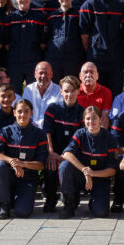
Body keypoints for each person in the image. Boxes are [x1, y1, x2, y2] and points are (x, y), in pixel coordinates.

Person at [0, 100, 48, 219]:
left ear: (31, 113)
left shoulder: (39, 134)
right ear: (14, 112)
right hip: (9, 176)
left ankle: (17, 199)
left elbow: (41, 164)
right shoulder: (6, 131)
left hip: (28, 178)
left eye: (26, 111)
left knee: (23, 212)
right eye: (19, 111)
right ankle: (4, 205)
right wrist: (11, 161)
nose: (23, 115)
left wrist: (23, 164)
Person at [58, 105, 120, 218]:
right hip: (82, 176)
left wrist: (92, 174)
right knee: (64, 166)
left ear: (101, 119)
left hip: (100, 178)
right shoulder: (80, 133)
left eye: (94, 118)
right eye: (88, 118)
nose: (91, 121)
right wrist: (84, 170)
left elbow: (112, 170)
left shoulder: (110, 138)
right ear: (83, 120)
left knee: (101, 213)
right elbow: (67, 154)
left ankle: (95, 201)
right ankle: (69, 204)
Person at [79, 0, 124, 93]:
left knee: (115, 91)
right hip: (96, 57)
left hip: (116, 59)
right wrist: (93, 49)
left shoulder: (120, 6)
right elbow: (84, 35)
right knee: (97, 91)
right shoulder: (89, 5)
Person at [44, 75, 84, 213]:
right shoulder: (52, 108)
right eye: (66, 91)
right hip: (54, 151)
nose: (69, 94)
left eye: (73, 91)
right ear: (61, 91)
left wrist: (66, 156)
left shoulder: (82, 112)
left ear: (79, 91)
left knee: (66, 166)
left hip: (73, 154)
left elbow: (80, 139)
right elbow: (47, 132)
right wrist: (51, 152)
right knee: (50, 166)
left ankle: (70, 199)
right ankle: (50, 199)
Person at [4, 0, 47, 86]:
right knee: (14, 93)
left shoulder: (39, 17)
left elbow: (43, 43)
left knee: (33, 93)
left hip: (33, 62)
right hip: (14, 63)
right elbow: (6, 43)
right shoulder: (10, 18)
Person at [45, 0, 85, 82]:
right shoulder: (52, 16)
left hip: (74, 58)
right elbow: (47, 36)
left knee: (72, 83)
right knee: (54, 85)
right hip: (54, 57)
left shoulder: (78, 14)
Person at [22, 61, 61, 128]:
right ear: (35, 74)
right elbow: (24, 111)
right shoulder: (28, 89)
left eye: (46, 73)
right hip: (30, 129)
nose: (43, 76)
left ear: (51, 74)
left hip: (51, 129)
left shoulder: (59, 91)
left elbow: (58, 115)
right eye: (40, 73)